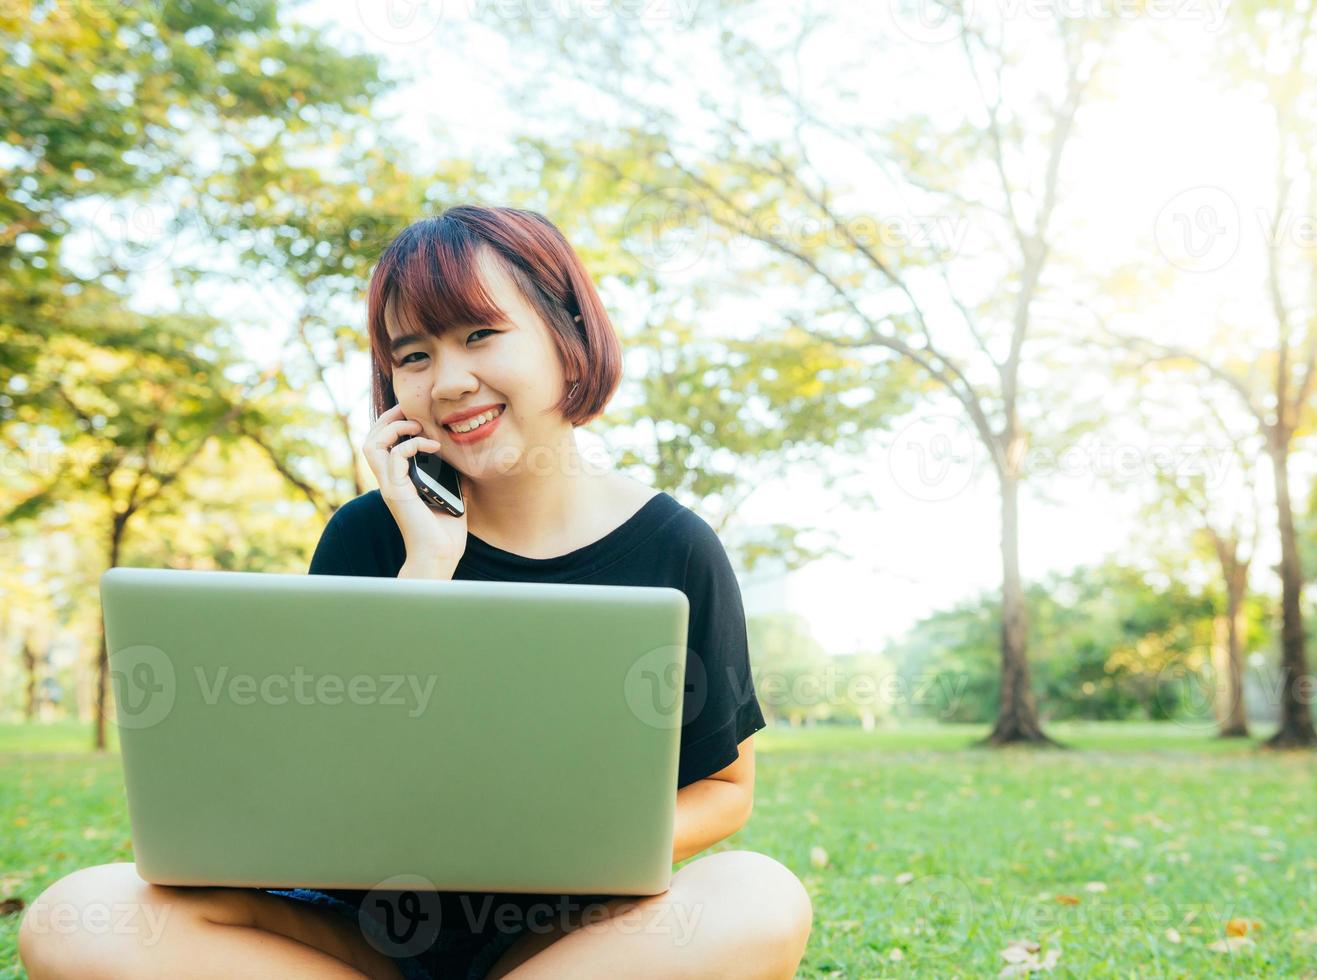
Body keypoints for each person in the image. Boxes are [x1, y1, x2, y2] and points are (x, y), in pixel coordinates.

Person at [19, 205, 813, 979]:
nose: (451, 381)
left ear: (568, 338)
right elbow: (320, 769)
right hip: (355, 936)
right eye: (414, 355)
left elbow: (723, 787)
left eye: (479, 335)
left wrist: (560, 852)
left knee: (762, 898)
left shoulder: (677, 546)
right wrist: (426, 564)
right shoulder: (369, 533)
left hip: (572, 940)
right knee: (71, 918)